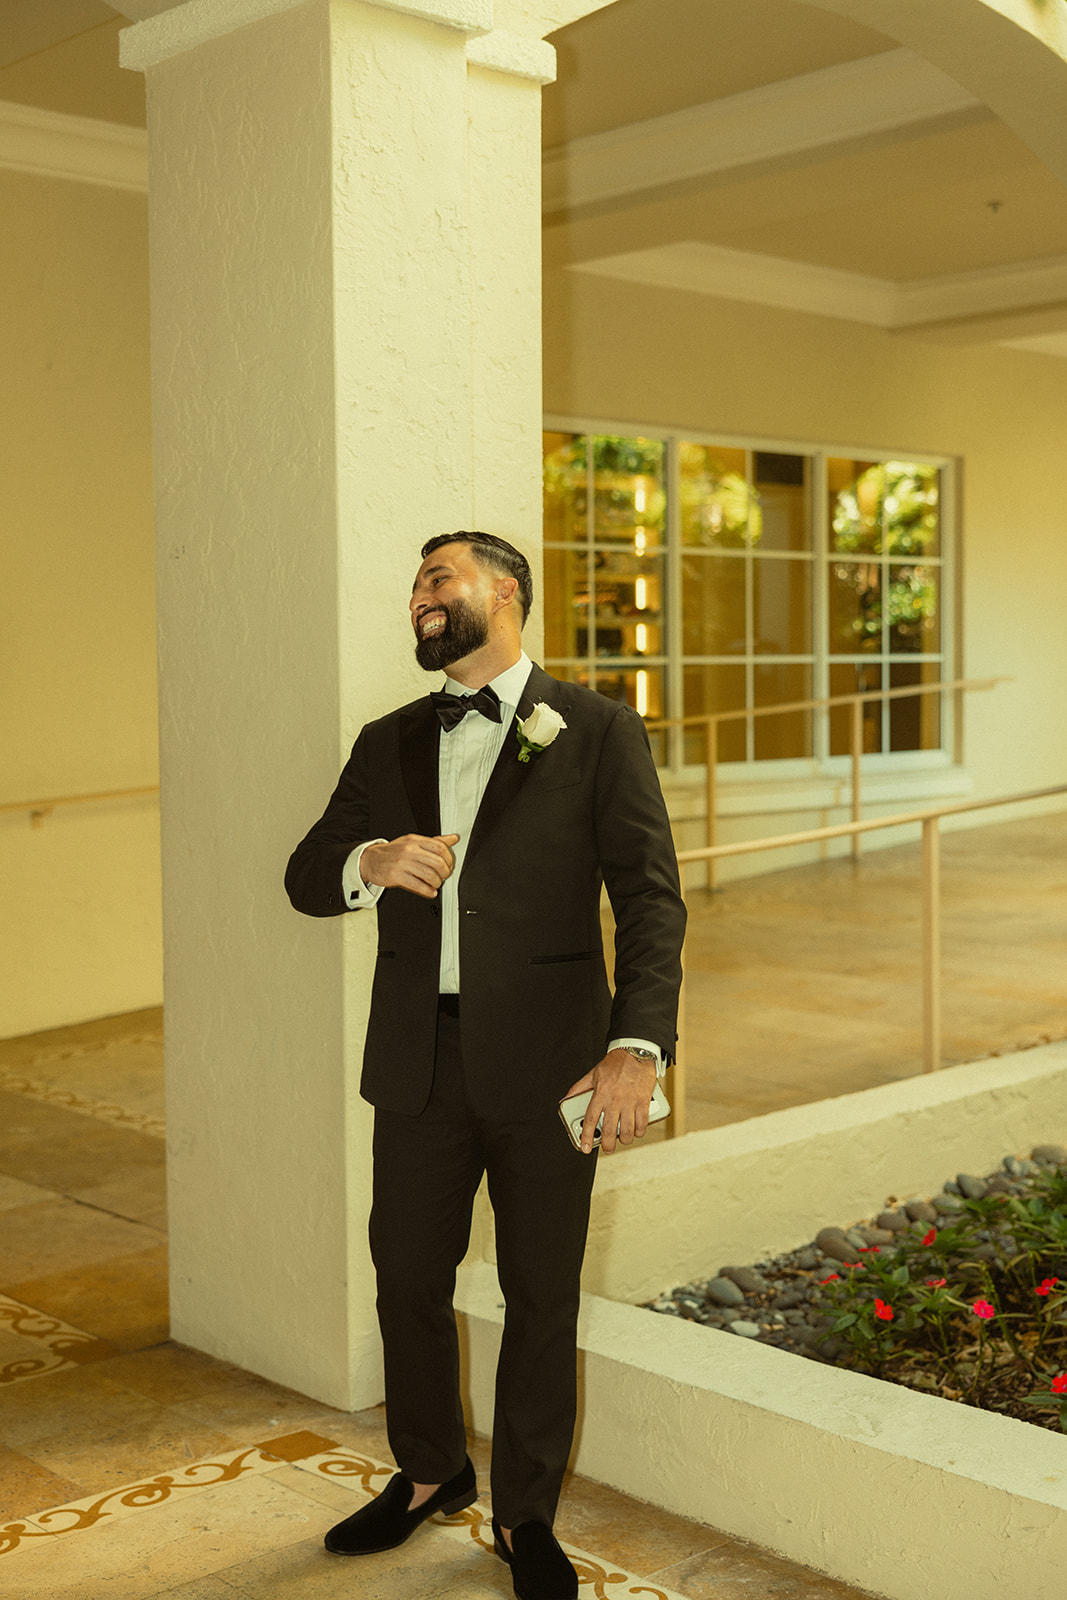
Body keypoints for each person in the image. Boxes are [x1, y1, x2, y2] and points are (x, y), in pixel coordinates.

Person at [285, 531, 685, 1600]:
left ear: (502, 592)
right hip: (418, 1062)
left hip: (554, 1066)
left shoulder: (595, 728)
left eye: (437, 578)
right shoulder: (387, 741)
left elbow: (648, 897)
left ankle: (525, 1514)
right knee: (406, 1276)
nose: (418, 595)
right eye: (414, 580)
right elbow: (304, 874)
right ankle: (429, 1469)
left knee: (538, 1294)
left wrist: (633, 1049)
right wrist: (367, 862)